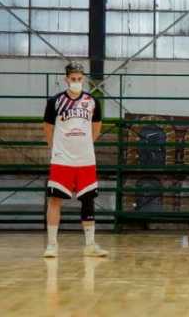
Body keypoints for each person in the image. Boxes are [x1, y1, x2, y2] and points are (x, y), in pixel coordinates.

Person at [42, 63, 107, 258]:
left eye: (79, 79)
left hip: (86, 159)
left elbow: (97, 127)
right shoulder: (55, 101)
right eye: (73, 79)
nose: (76, 82)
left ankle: (90, 244)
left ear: (83, 79)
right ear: (66, 79)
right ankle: (52, 244)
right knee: (55, 200)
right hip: (62, 159)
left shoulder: (92, 101)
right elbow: (47, 127)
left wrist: (86, 144)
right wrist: (55, 148)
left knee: (88, 200)